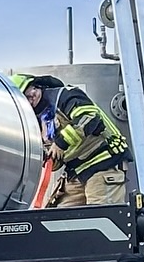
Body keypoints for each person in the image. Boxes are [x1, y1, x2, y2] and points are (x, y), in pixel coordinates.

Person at [11, 73, 130, 206]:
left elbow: (90, 118)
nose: (31, 95)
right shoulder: (35, 120)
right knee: (59, 220)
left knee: (102, 216)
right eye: (24, 97)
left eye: (30, 89)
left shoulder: (65, 96)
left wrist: (61, 143)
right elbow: (56, 159)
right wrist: (49, 157)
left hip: (104, 163)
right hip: (77, 172)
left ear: (38, 85)